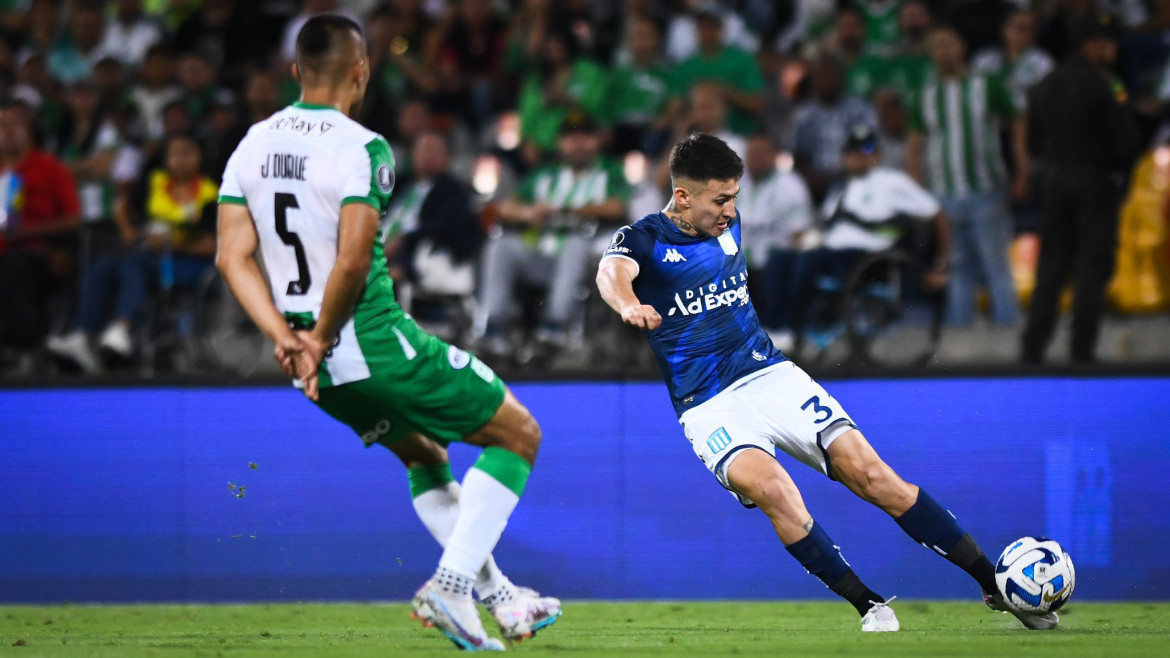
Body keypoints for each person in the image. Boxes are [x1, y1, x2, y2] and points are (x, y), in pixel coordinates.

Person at [595, 133, 1055, 633]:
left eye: (734, 198)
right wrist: (628, 304)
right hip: (707, 404)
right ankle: (868, 604)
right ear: (683, 196)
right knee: (774, 490)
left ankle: (995, 584)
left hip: (768, 373)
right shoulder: (644, 237)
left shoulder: (726, 222)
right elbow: (612, 270)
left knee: (873, 475)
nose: (730, 211)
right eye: (719, 199)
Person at [213, 15, 560, 651]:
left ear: (295, 72)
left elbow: (231, 257)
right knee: (518, 436)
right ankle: (451, 586)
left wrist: (291, 339)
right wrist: (320, 334)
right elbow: (352, 260)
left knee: (425, 454)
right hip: (370, 342)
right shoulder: (362, 147)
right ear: (361, 72)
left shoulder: (250, 146)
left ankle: (503, 601)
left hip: (313, 369)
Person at [1021, 13, 1142, 364]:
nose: (1113, 49)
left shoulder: (1046, 83)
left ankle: (1032, 350)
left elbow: (1033, 145)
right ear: (1090, 44)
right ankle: (1081, 350)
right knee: (1092, 263)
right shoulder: (1106, 84)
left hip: (1057, 183)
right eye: (1107, 42)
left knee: (1052, 266)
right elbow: (1128, 141)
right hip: (1095, 182)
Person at [47, 133, 217, 370]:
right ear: (166, 159)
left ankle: (124, 328)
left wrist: (170, 243)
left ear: (199, 157)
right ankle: (83, 337)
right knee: (104, 266)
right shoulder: (154, 183)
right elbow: (123, 207)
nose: (180, 160)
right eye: (174, 154)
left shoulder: (211, 193)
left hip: (191, 265)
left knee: (134, 265)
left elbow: (213, 245)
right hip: (150, 258)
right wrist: (128, 230)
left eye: (187, 153)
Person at [478, 111, 629, 355]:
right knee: (501, 245)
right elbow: (506, 208)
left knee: (576, 243)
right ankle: (494, 329)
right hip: (542, 255)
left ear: (596, 140)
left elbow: (617, 207)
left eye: (584, 137)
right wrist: (528, 213)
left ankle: (555, 325)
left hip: (589, 263)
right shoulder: (545, 174)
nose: (577, 144)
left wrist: (569, 210)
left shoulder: (609, 171)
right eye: (570, 138)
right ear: (560, 143)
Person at [907, 26, 1026, 327]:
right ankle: (958, 345)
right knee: (956, 267)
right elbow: (915, 146)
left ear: (962, 48)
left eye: (948, 44)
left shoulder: (986, 83)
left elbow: (1017, 121)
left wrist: (1021, 168)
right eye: (936, 46)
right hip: (944, 192)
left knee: (996, 264)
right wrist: (918, 194)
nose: (942, 51)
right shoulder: (925, 93)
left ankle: (1009, 335)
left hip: (986, 187)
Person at [0, 101, 80, 371]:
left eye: (15, 125)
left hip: (37, 251)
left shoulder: (50, 168)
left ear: (29, 130)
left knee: (14, 267)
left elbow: (73, 219)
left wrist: (27, 231)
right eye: (2, 126)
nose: (8, 132)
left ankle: (20, 350)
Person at [735, 134, 814, 350]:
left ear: (773, 157)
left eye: (762, 154)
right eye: (752, 154)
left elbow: (800, 232)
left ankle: (777, 328)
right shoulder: (734, 186)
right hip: (740, 261)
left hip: (776, 259)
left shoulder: (790, 186)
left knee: (779, 261)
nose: (756, 159)